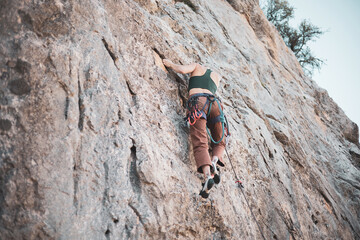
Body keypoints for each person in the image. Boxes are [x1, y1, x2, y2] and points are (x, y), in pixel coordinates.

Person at [162, 59, 227, 198]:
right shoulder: (217, 76)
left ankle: (208, 176)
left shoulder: (197, 66)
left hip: (198, 102)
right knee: (220, 140)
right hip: (215, 104)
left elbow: (182, 70)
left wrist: (170, 64)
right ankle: (215, 160)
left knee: (200, 141)